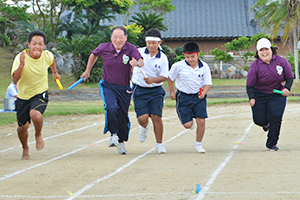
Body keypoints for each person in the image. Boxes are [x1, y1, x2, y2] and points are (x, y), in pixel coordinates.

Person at [81, 26, 144, 155]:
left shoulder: (130, 48)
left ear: (126, 38)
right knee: (111, 108)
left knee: (122, 115)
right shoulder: (104, 47)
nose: (118, 39)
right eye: (115, 36)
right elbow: (93, 55)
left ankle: (121, 142)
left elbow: (141, 61)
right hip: (108, 86)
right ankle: (113, 135)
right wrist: (88, 70)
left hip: (124, 88)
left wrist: (136, 63)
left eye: (121, 37)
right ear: (111, 38)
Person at [11, 30, 61, 160]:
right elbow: (15, 80)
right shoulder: (20, 57)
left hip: (40, 92)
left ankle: (38, 134)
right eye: (34, 43)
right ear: (29, 44)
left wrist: (55, 72)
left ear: (44, 46)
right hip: (23, 96)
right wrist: (22, 64)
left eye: (40, 44)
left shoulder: (47, 55)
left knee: (35, 114)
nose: (37, 47)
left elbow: (52, 60)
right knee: (22, 128)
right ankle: (25, 148)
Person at [246, 38, 294, 151]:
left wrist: (287, 88)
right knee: (259, 120)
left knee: (276, 117)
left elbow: (290, 77)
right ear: (257, 52)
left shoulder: (281, 62)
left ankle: (272, 143)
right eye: (261, 50)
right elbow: (250, 85)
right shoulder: (255, 66)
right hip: (260, 94)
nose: (264, 52)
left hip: (277, 93)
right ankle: (265, 124)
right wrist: (251, 98)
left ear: (271, 49)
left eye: (266, 49)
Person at [168, 42, 212, 153]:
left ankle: (198, 144)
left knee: (201, 121)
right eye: (187, 57)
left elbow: (207, 83)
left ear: (198, 55)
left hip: (198, 97)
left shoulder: (204, 67)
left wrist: (204, 93)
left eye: (192, 56)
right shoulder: (178, 66)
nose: (190, 59)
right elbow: (170, 78)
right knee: (188, 125)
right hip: (183, 96)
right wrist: (172, 92)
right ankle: (189, 118)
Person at [131, 28, 169, 154]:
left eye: (154, 43)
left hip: (155, 90)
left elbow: (164, 76)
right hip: (139, 89)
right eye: (149, 43)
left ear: (159, 43)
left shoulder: (163, 58)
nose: (151, 45)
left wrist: (153, 79)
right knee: (142, 119)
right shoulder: (138, 52)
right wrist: (131, 62)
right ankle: (144, 127)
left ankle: (159, 144)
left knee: (156, 117)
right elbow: (129, 60)